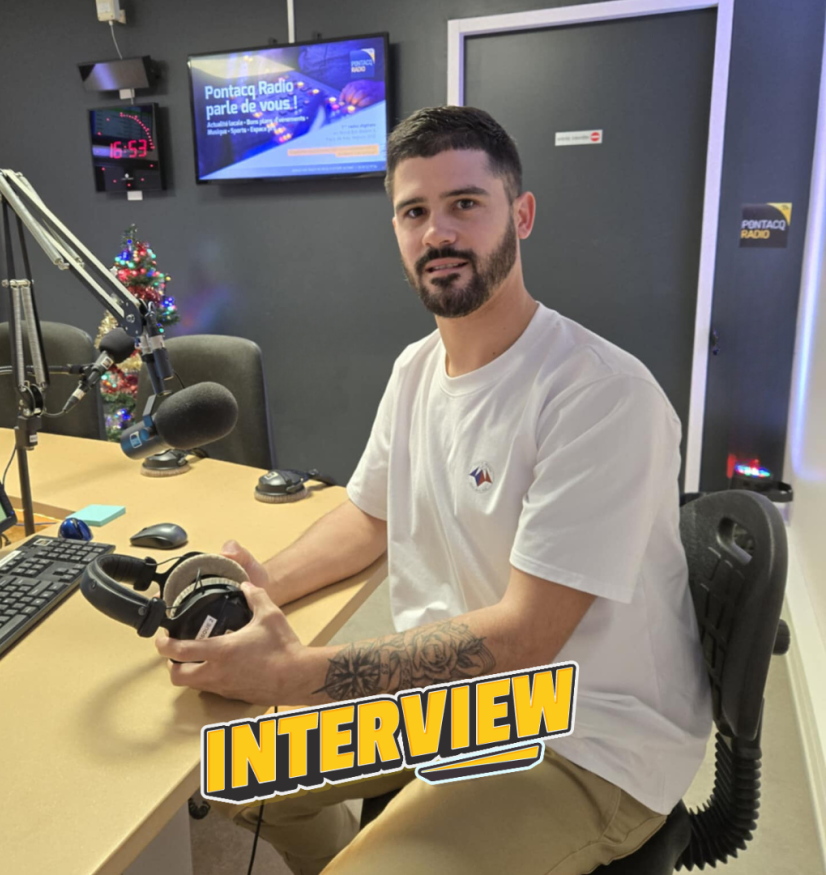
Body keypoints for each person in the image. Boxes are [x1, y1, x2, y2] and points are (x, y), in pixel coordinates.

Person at [155, 105, 712, 875]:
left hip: (584, 736)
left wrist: (296, 674)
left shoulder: (599, 394)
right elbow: (366, 516)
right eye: (413, 211)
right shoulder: (416, 368)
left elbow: (523, 639)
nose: (437, 233)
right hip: (451, 706)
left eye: (465, 204)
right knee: (233, 775)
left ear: (520, 214)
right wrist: (258, 588)